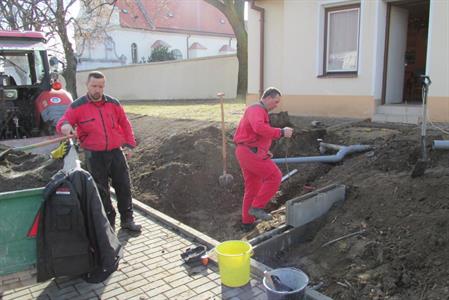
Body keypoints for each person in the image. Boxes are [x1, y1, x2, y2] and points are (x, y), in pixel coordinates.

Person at [56, 71, 141, 232]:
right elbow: (64, 121)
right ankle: (108, 224)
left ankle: (127, 220)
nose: (97, 90)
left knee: (124, 186)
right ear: (87, 85)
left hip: (116, 152)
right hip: (94, 155)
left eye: (100, 86)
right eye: (94, 86)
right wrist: (65, 126)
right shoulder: (77, 106)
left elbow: (125, 123)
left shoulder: (113, 103)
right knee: (102, 191)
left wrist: (129, 145)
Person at [233, 87, 293, 231]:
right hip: (249, 152)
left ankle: (247, 223)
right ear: (267, 98)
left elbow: (257, 134)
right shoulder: (257, 109)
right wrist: (281, 132)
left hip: (247, 151)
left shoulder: (258, 110)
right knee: (274, 176)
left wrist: (265, 151)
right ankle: (257, 208)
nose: (276, 105)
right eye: (275, 101)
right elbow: (259, 128)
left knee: (252, 188)